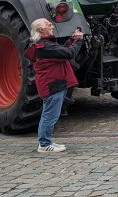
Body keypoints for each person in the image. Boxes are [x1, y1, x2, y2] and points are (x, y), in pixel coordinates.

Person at [25, 19, 84, 153]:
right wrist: (79, 40)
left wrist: (71, 40)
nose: (52, 25)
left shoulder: (46, 45)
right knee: (50, 115)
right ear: (41, 30)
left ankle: (47, 141)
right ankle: (44, 144)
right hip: (52, 85)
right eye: (48, 24)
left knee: (51, 114)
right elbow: (69, 53)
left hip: (55, 84)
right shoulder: (45, 46)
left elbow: (62, 51)